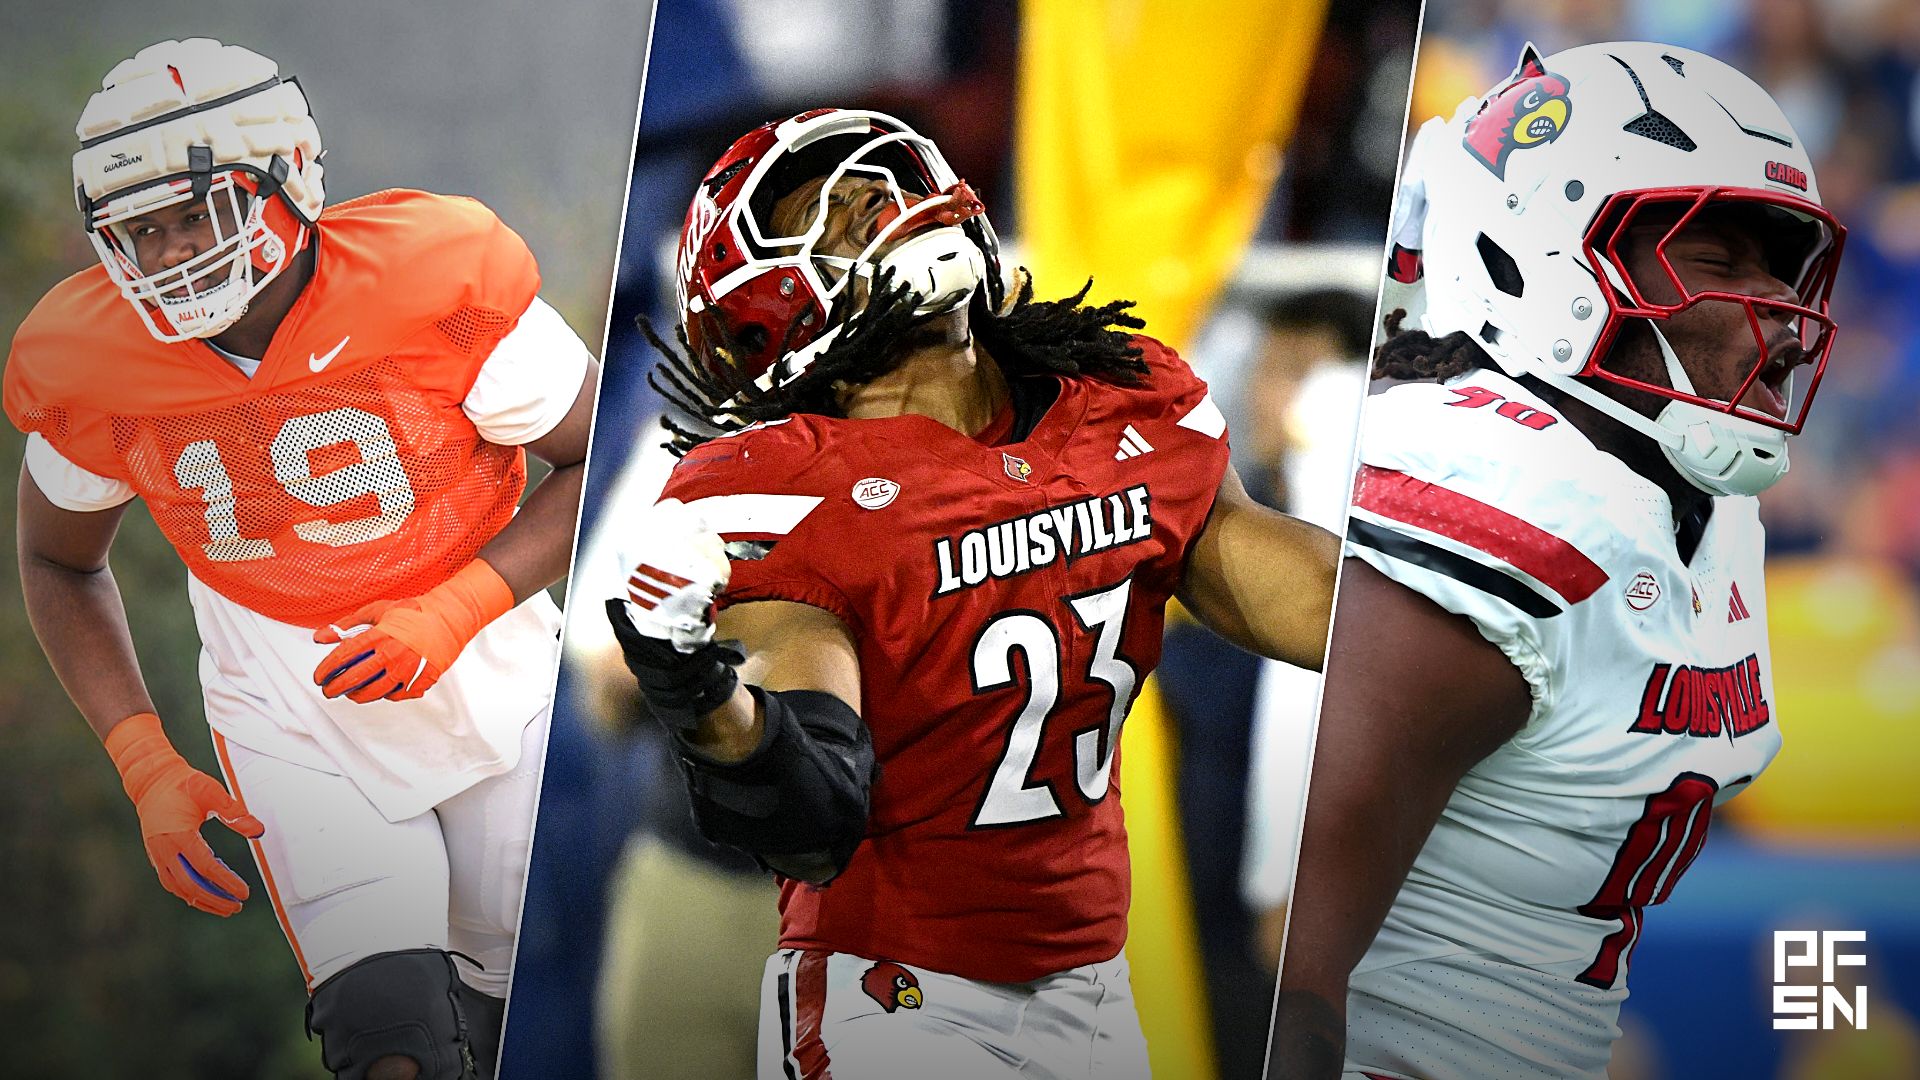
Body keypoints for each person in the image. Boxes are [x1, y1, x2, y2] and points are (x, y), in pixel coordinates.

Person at [604, 108, 1339, 1079]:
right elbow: (812, 804)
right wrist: (707, 700)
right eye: (827, 210)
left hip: (1092, 981)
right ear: (759, 305)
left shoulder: (1118, 400)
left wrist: (1492, 590)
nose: (878, 201)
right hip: (896, 995)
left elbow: (1321, 599)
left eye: (885, 181)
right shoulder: (787, 485)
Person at [6, 39, 598, 1080]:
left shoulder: (432, 277)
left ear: (288, 174)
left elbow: (593, 459)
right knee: (389, 1038)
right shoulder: (93, 360)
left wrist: (460, 604)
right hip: (293, 716)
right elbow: (58, 562)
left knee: (523, 1019)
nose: (173, 249)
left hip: (503, 683)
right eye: (142, 228)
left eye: (195, 211)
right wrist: (142, 758)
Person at [1270, 41, 1846, 1079]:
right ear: (1544, 260)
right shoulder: (1500, 501)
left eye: (1781, 261)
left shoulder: (1698, 497)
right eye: (1718, 259)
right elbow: (1293, 968)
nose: (1779, 313)